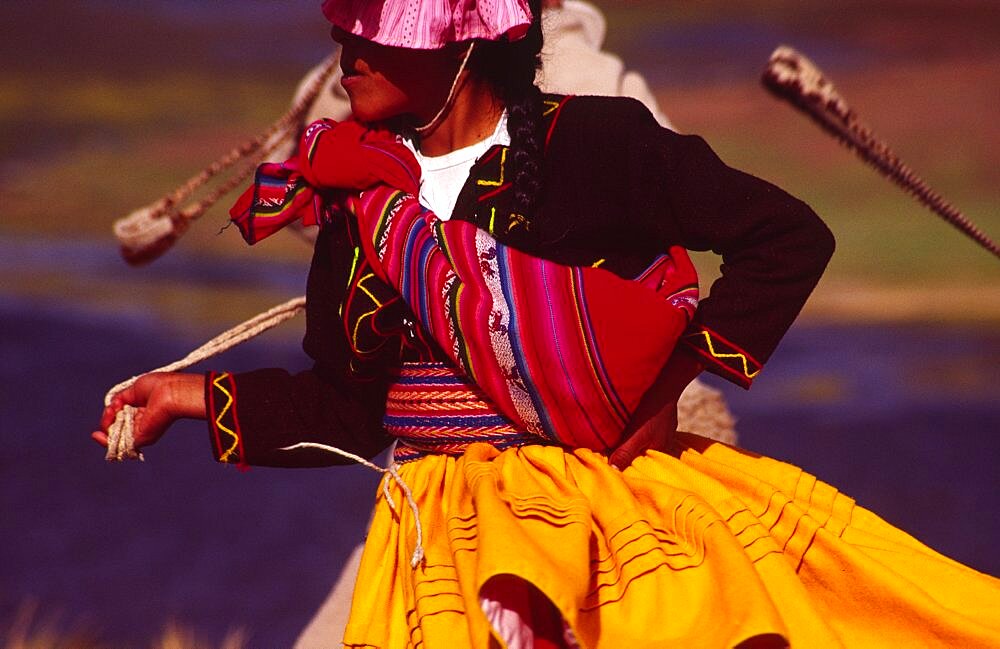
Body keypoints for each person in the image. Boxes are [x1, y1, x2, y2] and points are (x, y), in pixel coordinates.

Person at [95, 1, 999, 647]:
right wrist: (183, 395)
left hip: (599, 512)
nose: (347, 52)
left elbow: (786, 237)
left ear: (455, 37)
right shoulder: (358, 202)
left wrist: (677, 378)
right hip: (437, 533)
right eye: (345, 33)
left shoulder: (595, 144)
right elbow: (345, 414)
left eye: (371, 34)